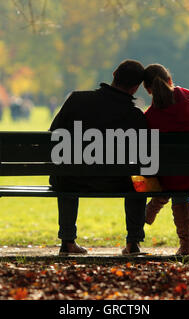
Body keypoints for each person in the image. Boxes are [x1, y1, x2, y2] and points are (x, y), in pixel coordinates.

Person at [49, 59, 148, 256]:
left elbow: (53, 134)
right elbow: (144, 158)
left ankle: (68, 241)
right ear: (136, 88)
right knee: (141, 179)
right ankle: (133, 242)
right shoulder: (134, 116)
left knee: (66, 173)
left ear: (113, 75)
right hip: (118, 182)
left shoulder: (76, 100)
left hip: (73, 179)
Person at [142, 63, 189, 256]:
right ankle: (185, 245)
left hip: (170, 179)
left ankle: (155, 204)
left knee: (171, 175)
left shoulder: (151, 116)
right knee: (179, 174)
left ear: (149, 90)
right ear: (170, 80)